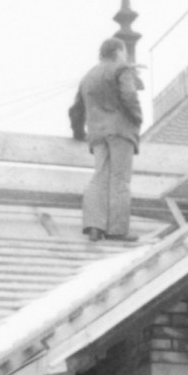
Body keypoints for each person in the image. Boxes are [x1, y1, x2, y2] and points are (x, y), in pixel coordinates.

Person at [69, 38, 143, 242]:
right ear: (119, 51)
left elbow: (76, 110)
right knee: (120, 179)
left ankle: (94, 226)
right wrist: (137, 118)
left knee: (99, 177)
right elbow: (129, 95)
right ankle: (117, 230)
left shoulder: (87, 77)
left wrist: (78, 133)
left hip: (97, 134)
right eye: (124, 51)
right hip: (120, 132)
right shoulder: (122, 69)